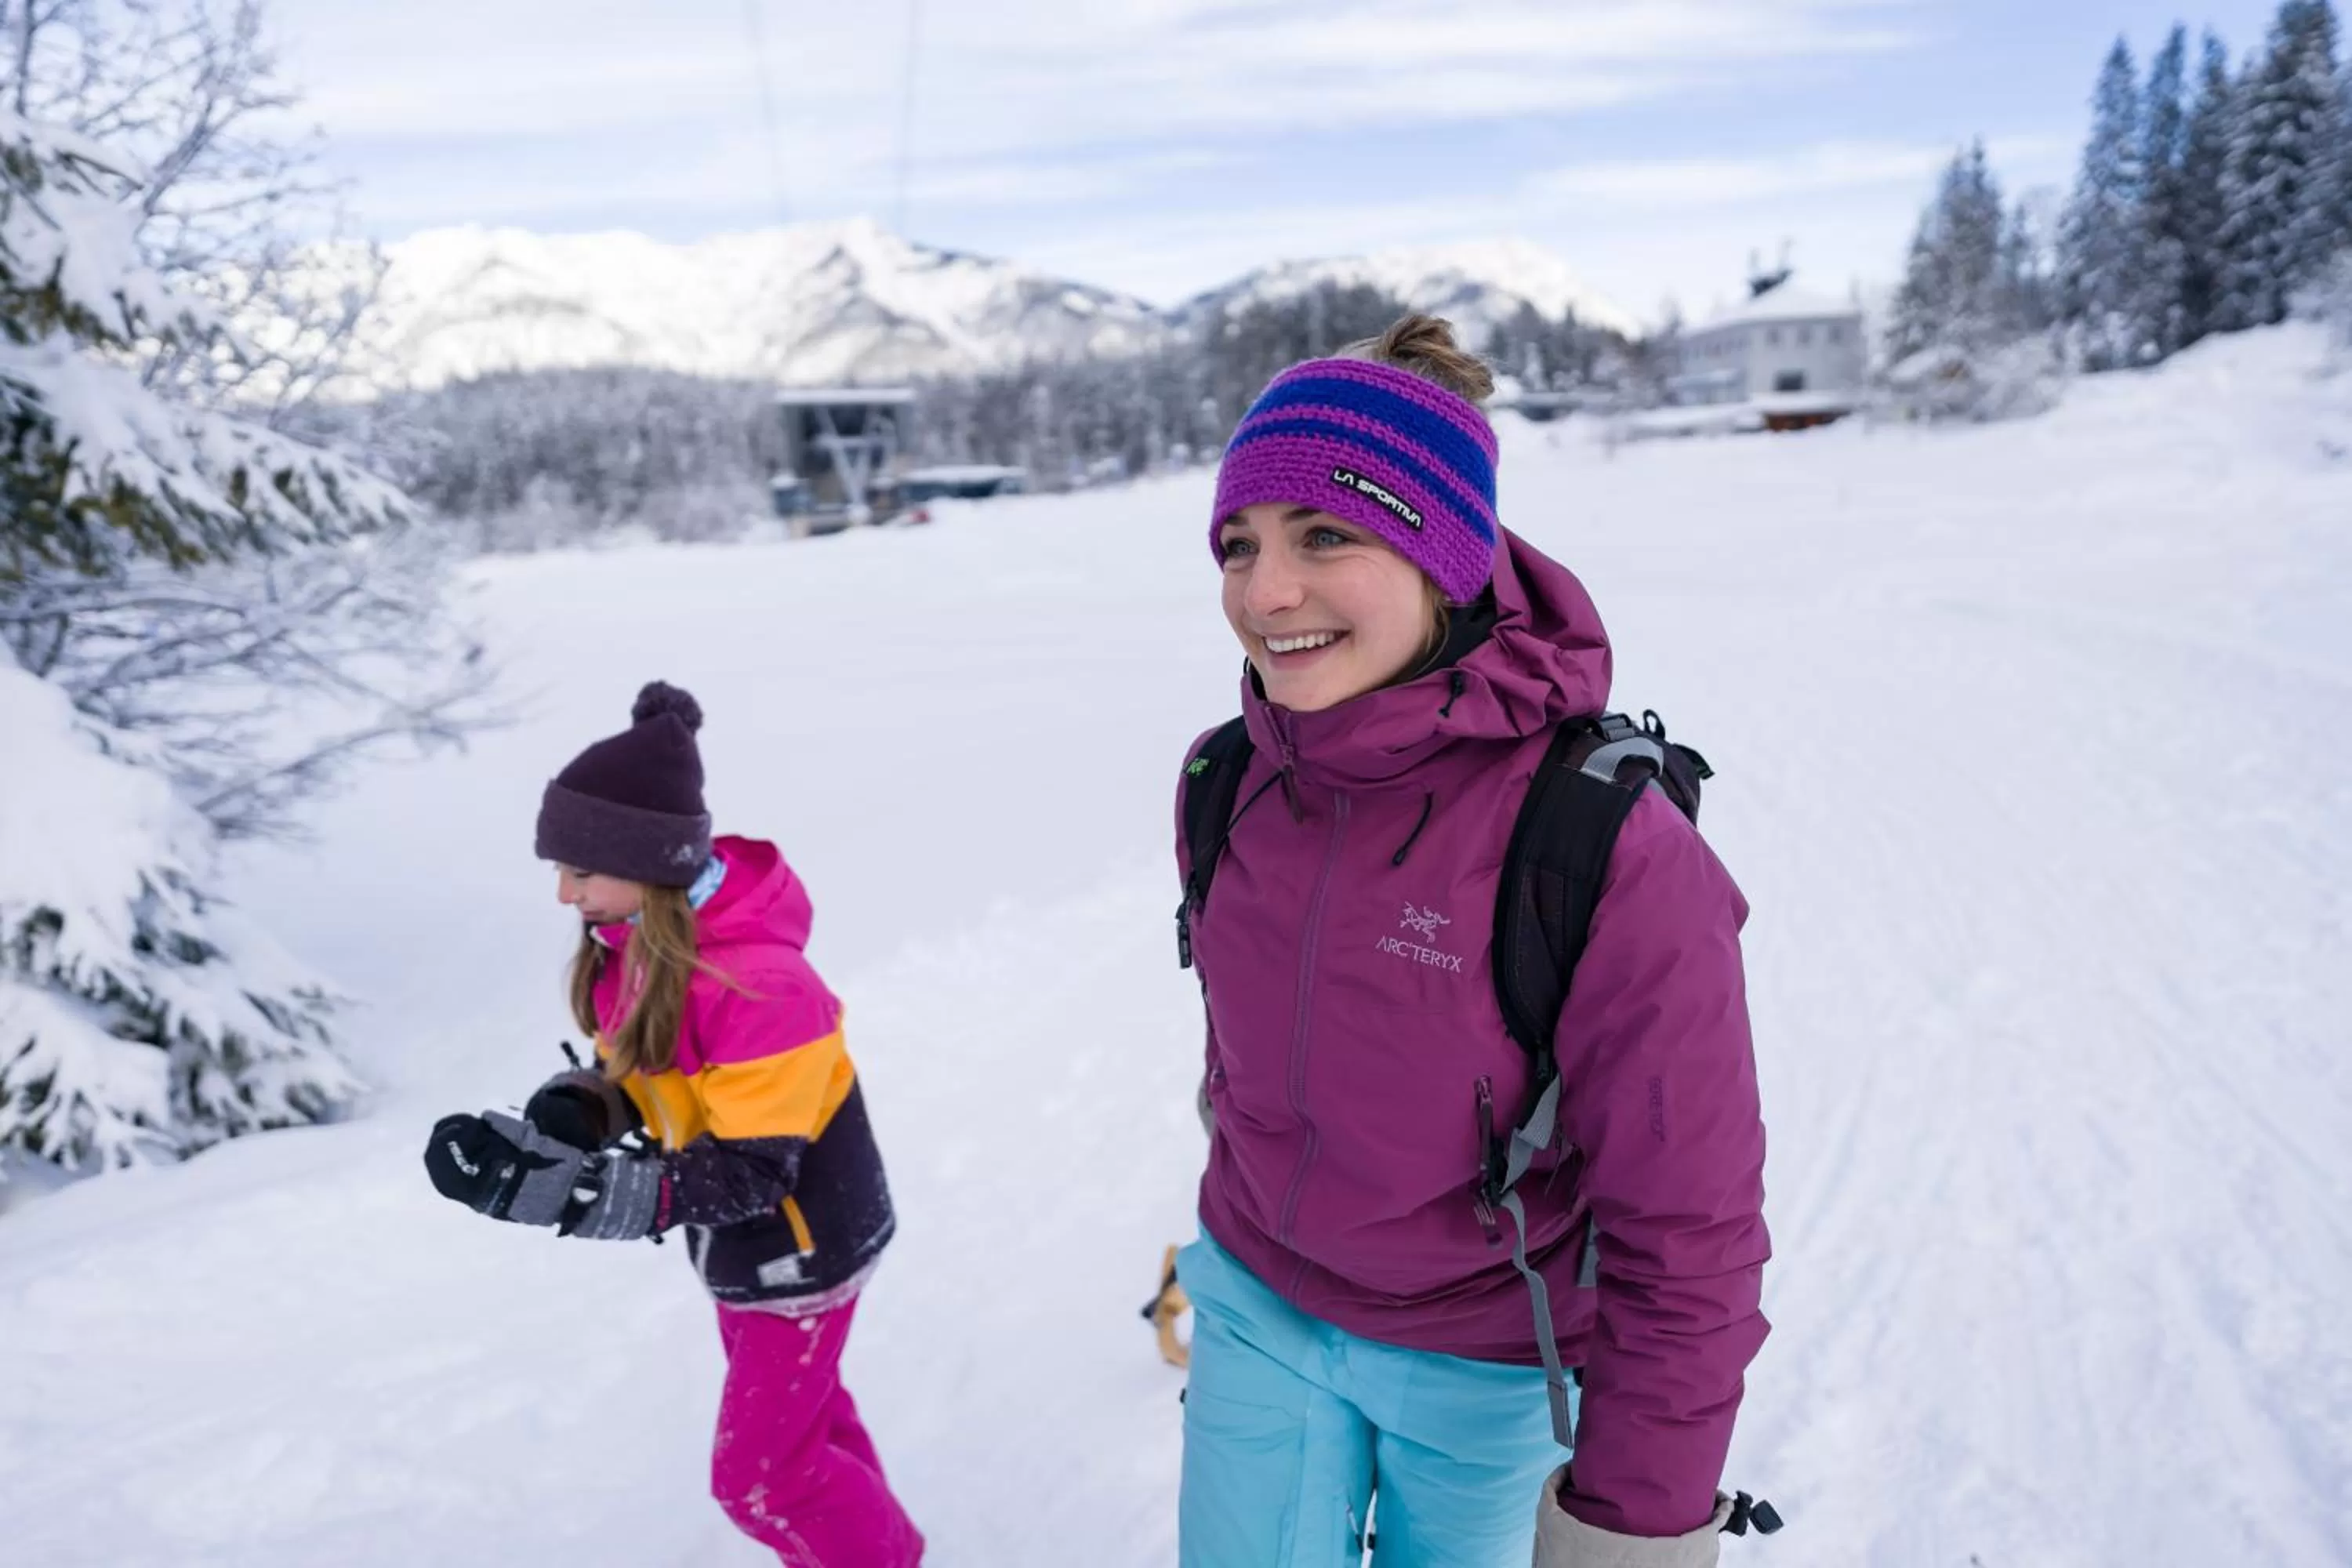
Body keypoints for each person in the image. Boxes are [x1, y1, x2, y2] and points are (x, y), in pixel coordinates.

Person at [1174, 317, 1769, 1566]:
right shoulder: (1229, 779)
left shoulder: (1601, 840)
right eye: (1239, 546)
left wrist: (1633, 1525)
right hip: (1255, 1311)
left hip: (1498, 1365)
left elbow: (1688, 1232)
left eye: (1324, 536)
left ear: (1445, 557)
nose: (1262, 593)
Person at [422, 681, 921, 1568]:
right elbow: (653, 1073)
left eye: (580, 869)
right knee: (809, 1421)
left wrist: (572, 1195)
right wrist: (579, 1109)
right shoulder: (637, 950)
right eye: (559, 870)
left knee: (762, 1478)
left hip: (801, 1245)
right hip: (747, 1247)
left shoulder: (762, 984)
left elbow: (751, 1172)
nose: (564, 894)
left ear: (648, 861)